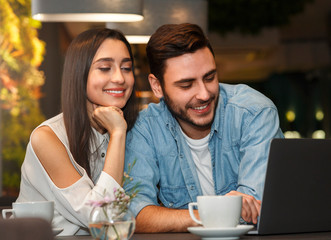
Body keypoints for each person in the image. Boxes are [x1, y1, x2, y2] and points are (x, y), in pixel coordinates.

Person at [124, 23, 284, 232]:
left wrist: (172, 218)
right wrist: (213, 216)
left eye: (209, 78)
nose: (204, 94)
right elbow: (135, 213)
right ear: (157, 86)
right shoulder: (145, 128)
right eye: (186, 84)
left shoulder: (254, 113)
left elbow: (257, 208)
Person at [16, 28, 139, 235]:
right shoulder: (47, 137)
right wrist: (118, 133)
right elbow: (100, 217)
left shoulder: (133, 129)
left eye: (126, 68)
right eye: (105, 68)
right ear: (79, 73)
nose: (120, 78)